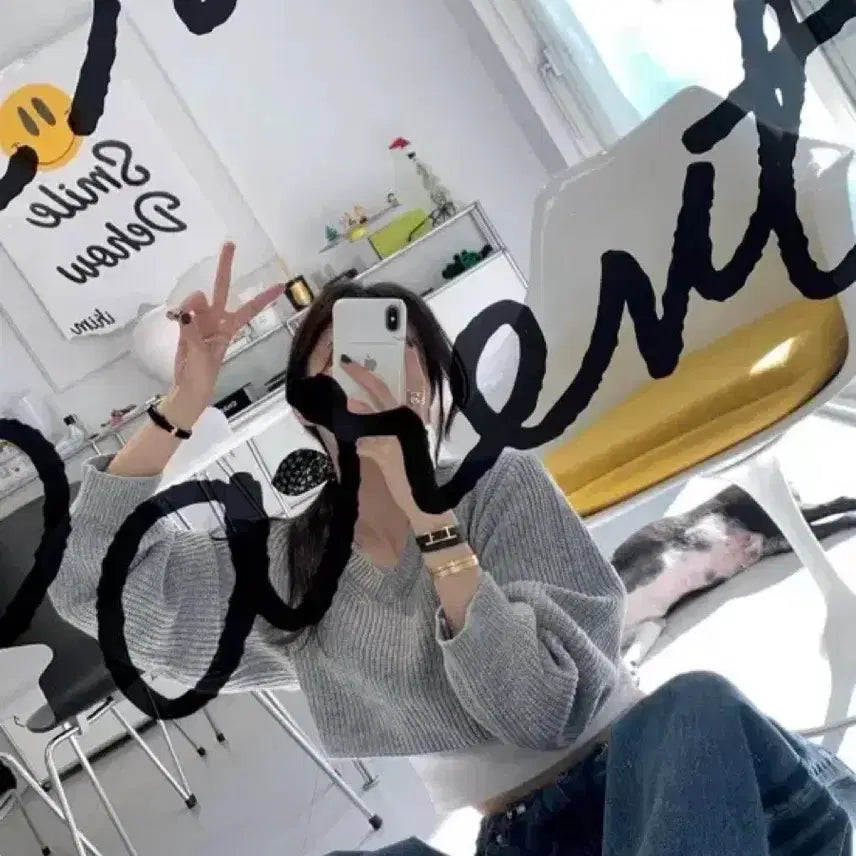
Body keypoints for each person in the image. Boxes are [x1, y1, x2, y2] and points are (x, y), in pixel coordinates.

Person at [51, 243, 856, 855]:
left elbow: (545, 714)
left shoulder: (500, 486)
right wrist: (182, 404)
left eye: (392, 347)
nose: (366, 373)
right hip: (523, 839)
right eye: (337, 362)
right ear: (305, 411)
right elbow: (95, 591)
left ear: (434, 384)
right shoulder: (288, 568)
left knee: (693, 704)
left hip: (672, 792)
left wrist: (429, 519)